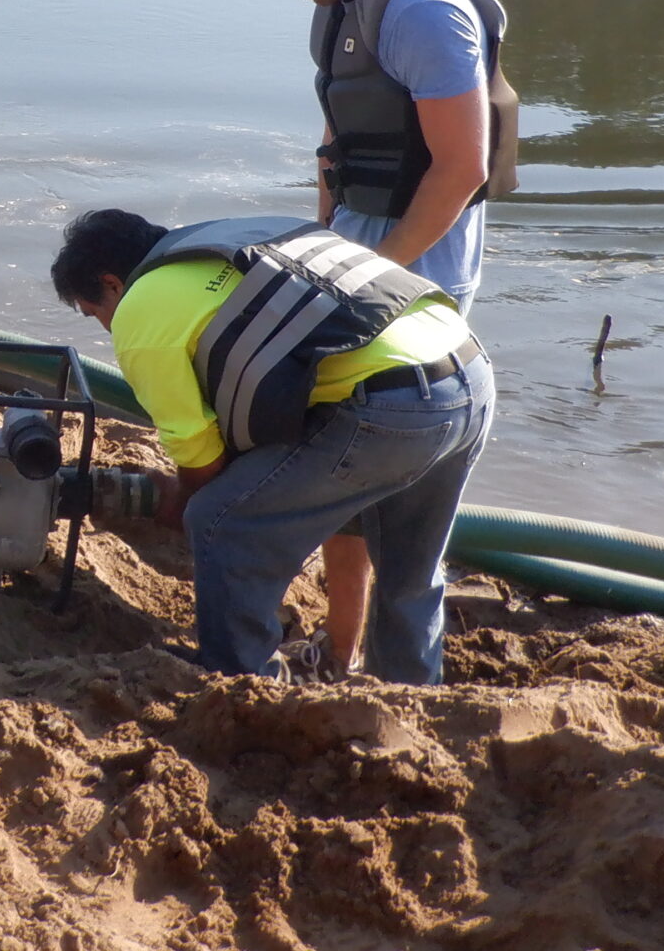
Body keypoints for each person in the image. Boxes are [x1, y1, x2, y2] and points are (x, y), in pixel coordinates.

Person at [237, 0, 515, 679]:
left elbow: (462, 165)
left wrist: (379, 277)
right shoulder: (335, 15)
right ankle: (344, 651)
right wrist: (321, 248)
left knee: (405, 494)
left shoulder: (424, 14)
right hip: (355, 265)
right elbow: (336, 141)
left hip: (420, 280)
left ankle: (408, 681)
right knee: (341, 464)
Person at [51, 208, 494, 684]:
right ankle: (412, 695)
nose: (103, 326)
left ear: (112, 283)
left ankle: (241, 680)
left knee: (220, 521)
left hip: (389, 405)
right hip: (467, 369)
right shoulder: (236, 233)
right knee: (410, 571)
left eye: (94, 311)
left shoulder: (141, 308)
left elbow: (201, 463)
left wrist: (175, 502)